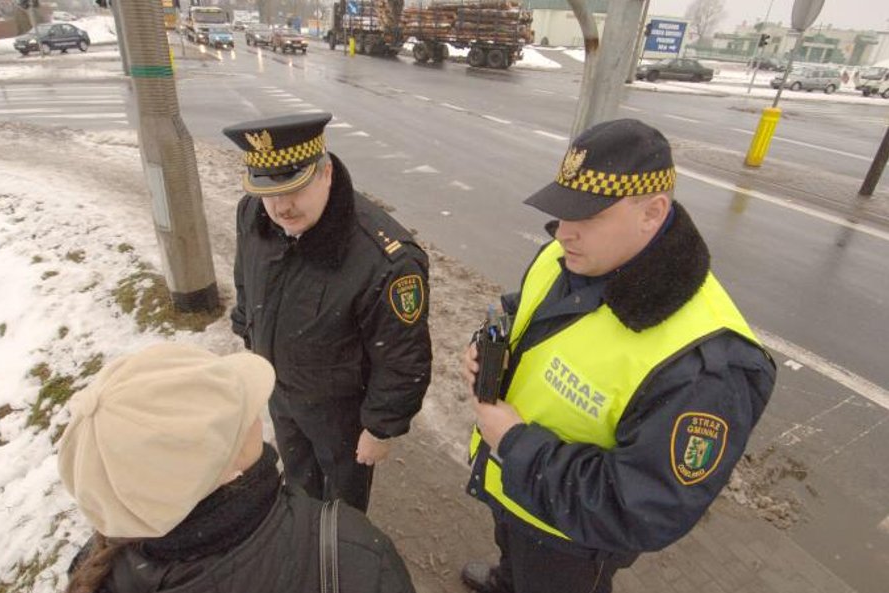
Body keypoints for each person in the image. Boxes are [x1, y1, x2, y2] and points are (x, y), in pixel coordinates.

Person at [460, 119, 777, 593]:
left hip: (572, 543)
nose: (563, 233)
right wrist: (489, 339)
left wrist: (514, 444)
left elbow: (641, 507)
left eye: (587, 218)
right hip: (518, 491)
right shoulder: (570, 253)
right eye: (562, 212)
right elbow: (524, 306)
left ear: (652, 212)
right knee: (515, 557)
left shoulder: (707, 364)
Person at [58, 342, 416, 593]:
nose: (258, 419)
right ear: (224, 472)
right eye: (240, 418)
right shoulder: (349, 553)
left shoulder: (96, 572)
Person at [224, 113, 432, 513]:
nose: (281, 207)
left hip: (341, 413)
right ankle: (305, 539)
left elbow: (403, 358)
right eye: (270, 192)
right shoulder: (254, 215)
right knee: (299, 483)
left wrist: (380, 427)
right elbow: (246, 280)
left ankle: (337, 564)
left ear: (325, 174)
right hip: (280, 390)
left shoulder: (384, 261)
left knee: (342, 508)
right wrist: (249, 337)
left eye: (295, 189)